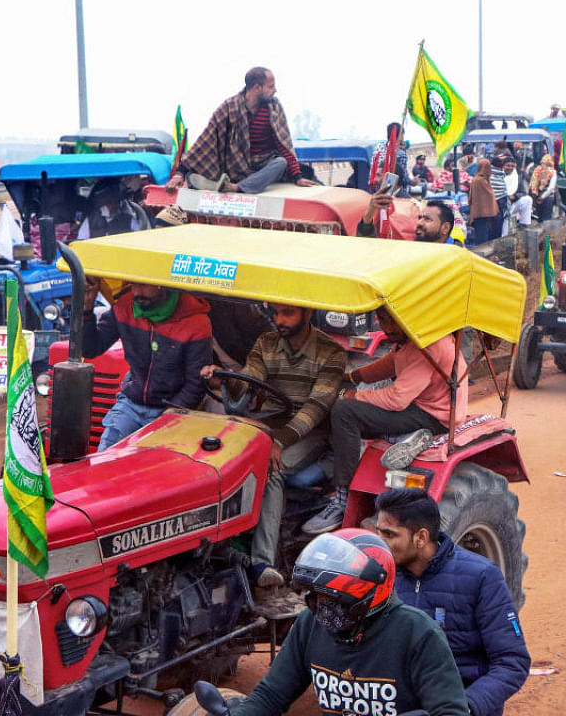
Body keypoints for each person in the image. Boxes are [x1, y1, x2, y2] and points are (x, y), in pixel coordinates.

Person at [231, 529, 470, 716]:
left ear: (369, 597)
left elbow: (450, 712)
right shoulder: (310, 624)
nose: (322, 608)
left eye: (333, 599)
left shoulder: (417, 633)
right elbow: (272, 694)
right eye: (315, 597)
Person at [197, 303, 346, 590]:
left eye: (287, 314)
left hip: (311, 432)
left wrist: (279, 441)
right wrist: (223, 380)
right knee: (217, 455)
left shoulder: (331, 353)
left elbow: (315, 409)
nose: (279, 320)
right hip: (269, 422)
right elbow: (250, 380)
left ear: (307, 314)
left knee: (270, 465)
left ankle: (262, 563)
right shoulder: (267, 343)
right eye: (276, 313)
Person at [302, 308, 467, 534]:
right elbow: (391, 363)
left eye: (392, 321)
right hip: (420, 406)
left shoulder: (430, 345)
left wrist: (353, 395)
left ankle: (342, 499)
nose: (387, 328)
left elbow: (397, 399)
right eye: (383, 320)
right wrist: (351, 378)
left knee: (344, 412)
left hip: (433, 416)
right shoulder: (410, 339)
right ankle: (399, 437)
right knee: (341, 406)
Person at [374, 488, 530, 716]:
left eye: (389, 535)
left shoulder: (482, 577)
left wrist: (463, 708)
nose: (380, 542)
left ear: (421, 537)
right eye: (379, 533)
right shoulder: (381, 575)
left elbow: (512, 662)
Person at [82, 282, 211, 450]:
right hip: (131, 403)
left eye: (143, 285)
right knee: (105, 456)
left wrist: (169, 416)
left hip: (170, 409)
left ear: (162, 285)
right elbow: (91, 349)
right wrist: (86, 310)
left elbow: (196, 383)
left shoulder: (196, 323)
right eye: (132, 285)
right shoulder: (125, 306)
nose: (136, 292)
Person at [168, 67, 316, 194]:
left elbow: (284, 144)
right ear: (257, 88)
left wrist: (298, 177)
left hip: (265, 164)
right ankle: (218, 182)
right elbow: (206, 140)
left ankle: (237, 187)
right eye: (271, 86)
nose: (275, 90)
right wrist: (180, 172)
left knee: (281, 162)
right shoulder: (229, 107)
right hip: (235, 166)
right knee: (198, 172)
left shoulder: (274, 108)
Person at [77, 178, 144, 240]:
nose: (115, 203)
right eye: (110, 201)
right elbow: (81, 240)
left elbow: (139, 238)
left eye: (117, 200)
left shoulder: (129, 219)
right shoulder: (91, 220)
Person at [370, 123, 412, 198]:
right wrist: (413, 182)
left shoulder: (378, 146)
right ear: (400, 135)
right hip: (393, 192)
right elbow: (402, 178)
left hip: (376, 188)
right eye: (403, 134)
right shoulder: (401, 153)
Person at [468, 159, 498, 246]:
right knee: (482, 237)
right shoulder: (480, 180)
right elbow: (490, 195)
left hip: (480, 212)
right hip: (481, 213)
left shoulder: (478, 179)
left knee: (483, 234)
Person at [500, 158, 533, 237]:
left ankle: (524, 225)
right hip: (501, 205)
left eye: (512, 166)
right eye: (508, 165)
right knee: (504, 233)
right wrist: (506, 197)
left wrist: (514, 196)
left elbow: (523, 193)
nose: (510, 168)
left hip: (513, 203)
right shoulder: (498, 176)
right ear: (503, 166)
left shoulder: (517, 177)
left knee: (528, 199)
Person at [529, 154, 558, 222]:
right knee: (546, 220)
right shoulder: (553, 172)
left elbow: (532, 184)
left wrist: (535, 197)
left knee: (537, 219)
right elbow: (551, 188)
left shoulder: (537, 170)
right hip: (547, 198)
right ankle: (545, 232)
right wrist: (542, 197)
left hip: (536, 197)